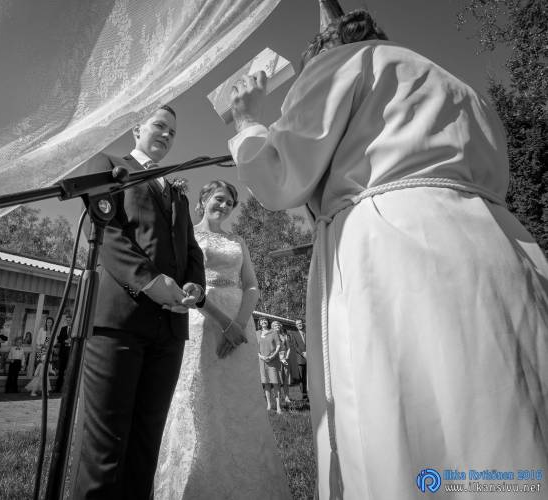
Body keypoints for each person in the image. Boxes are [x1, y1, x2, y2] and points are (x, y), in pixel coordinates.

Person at [228, 9, 548, 499]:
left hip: (393, 247)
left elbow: (279, 177)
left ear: (325, 49)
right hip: (498, 244)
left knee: (404, 413)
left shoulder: (343, 62)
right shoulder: (462, 88)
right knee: (503, 407)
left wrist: (248, 121)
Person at [72, 105, 237, 499]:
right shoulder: (109, 166)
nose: (166, 135)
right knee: (106, 447)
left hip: (169, 329)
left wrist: (194, 287)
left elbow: (192, 250)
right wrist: (148, 281)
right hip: (120, 321)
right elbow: (108, 232)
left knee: (147, 442)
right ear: (136, 128)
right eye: (159, 125)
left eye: (172, 132)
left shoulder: (176, 192)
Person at [155, 180, 291, 499]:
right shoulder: (187, 234)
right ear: (203, 200)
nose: (225, 206)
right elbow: (185, 284)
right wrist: (223, 323)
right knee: (199, 395)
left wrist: (239, 325)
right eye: (219, 199)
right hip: (201, 320)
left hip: (240, 326)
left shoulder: (237, 241)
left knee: (238, 398)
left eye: (230, 202)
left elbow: (252, 285)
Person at [257, 318, 282, 414]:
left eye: (265, 321)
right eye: (262, 321)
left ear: (268, 323)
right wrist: (261, 356)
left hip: (273, 361)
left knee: (275, 383)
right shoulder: (257, 333)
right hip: (262, 361)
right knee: (266, 383)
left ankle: (278, 407)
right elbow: (255, 347)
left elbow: (278, 345)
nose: (263, 322)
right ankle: (269, 404)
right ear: (259, 323)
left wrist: (273, 355)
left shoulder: (273, 332)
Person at [274, 320, 292, 405]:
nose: (277, 326)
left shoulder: (284, 336)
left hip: (285, 359)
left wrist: (287, 356)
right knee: (277, 379)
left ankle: (287, 397)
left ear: (280, 326)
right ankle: (278, 397)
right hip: (276, 359)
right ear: (272, 327)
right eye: (275, 325)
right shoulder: (271, 336)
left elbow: (288, 348)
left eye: (278, 325)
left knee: (286, 378)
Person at [54, 315, 72, 393]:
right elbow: (59, 339)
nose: (68, 321)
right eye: (67, 320)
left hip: (71, 353)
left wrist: (71, 341)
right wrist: (65, 341)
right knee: (61, 372)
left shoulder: (75, 329)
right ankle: (57, 389)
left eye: (69, 320)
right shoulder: (63, 328)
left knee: (70, 372)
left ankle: (68, 390)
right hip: (63, 353)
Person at [290, 319, 307, 401]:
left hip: (311, 358)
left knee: (310, 377)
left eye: (300, 323)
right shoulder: (294, 334)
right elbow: (295, 346)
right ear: (296, 326)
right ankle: (304, 395)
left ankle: (313, 392)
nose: (299, 325)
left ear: (303, 324)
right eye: (297, 324)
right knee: (302, 378)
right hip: (301, 359)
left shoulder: (308, 333)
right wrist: (303, 353)